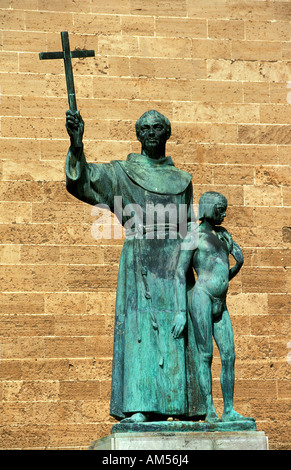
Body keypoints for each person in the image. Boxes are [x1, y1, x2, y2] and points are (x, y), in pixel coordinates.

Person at [65, 109, 205, 423]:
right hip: (140, 260)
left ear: (167, 133)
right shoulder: (122, 173)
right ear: (138, 135)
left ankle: (180, 405)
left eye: (158, 128)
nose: (152, 133)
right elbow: (81, 181)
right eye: (146, 128)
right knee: (141, 332)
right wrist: (77, 145)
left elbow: (190, 227)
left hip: (176, 264)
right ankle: (139, 405)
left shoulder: (183, 180)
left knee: (177, 332)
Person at [176, 191, 255, 423]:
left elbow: (229, 266)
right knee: (206, 355)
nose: (224, 212)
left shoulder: (223, 235)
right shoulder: (193, 235)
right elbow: (181, 272)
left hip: (221, 301)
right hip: (202, 297)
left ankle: (228, 409)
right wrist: (181, 311)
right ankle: (209, 407)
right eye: (220, 208)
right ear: (210, 208)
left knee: (229, 355)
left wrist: (238, 263)